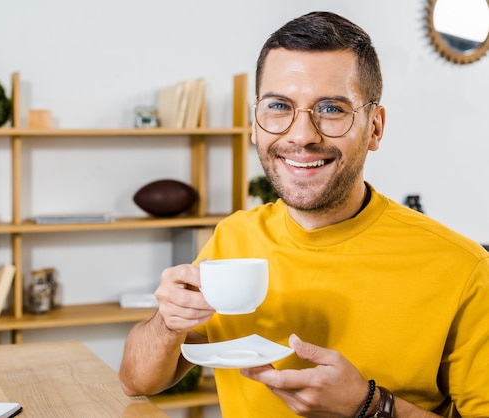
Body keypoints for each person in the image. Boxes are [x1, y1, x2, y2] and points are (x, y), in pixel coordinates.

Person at [119, 11, 489, 418]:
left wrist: (370, 407)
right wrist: (167, 324)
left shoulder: (463, 268)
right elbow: (138, 381)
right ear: (255, 124)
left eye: (331, 109)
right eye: (279, 106)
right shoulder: (233, 237)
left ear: (375, 128)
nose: (301, 136)